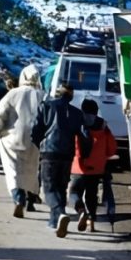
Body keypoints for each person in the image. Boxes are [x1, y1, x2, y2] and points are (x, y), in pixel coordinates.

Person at [31, 82, 92, 238]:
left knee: (49, 187)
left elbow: (37, 128)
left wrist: (37, 144)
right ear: (71, 96)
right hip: (67, 154)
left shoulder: (46, 106)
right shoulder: (77, 113)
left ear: (57, 93)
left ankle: (59, 213)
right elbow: (85, 136)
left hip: (49, 151)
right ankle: (54, 221)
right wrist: (84, 155)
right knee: (60, 187)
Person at [0, 65, 45, 218]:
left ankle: (18, 198)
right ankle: (31, 199)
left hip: (12, 138)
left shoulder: (12, 94)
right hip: (36, 140)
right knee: (31, 170)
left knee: (12, 170)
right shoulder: (43, 95)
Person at [69, 98, 117, 232]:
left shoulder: (77, 123)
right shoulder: (103, 126)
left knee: (73, 193)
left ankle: (81, 210)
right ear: (96, 111)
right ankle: (92, 222)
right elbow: (112, 148)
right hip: (96, 168)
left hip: (78, 167)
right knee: (91, 195)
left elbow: (70, 144)